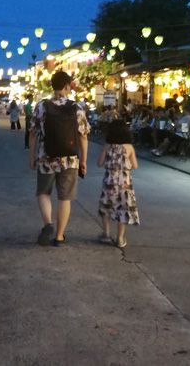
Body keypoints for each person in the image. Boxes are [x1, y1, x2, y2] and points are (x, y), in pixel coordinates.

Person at [29, 71, 90, 247]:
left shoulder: (41, 106)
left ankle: (48, 224)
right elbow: (83, 136)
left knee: (43, 192)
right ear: (66, 86)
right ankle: (60, 237)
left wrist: (32, 156)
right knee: (65, 197)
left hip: (46, 157)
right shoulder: (77, 108)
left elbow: (33, 133)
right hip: (70, 159)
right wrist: (83, 160)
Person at [97, 119, 140, 248]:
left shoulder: (107, 146)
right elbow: (135, 166)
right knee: (123, 208)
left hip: (110, 180)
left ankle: (106, 234)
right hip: (125, 182)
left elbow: (99, 164)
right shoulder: (129, 147)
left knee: (106, 207)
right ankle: (120, 239)